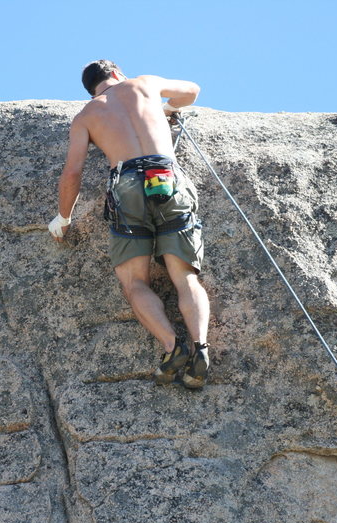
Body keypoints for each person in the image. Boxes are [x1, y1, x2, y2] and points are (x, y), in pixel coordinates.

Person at [48, 60, 211, 389]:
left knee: (134, 281)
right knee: (185, 276)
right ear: (117, 73)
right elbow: (192, 91)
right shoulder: (144, 83)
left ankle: (171, 346)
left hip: (127, 186)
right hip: (167, 177)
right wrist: (164, 109)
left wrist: (63, 217)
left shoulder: (86, 116)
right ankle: (201, 347)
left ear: (92, 88)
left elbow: (72, 173)